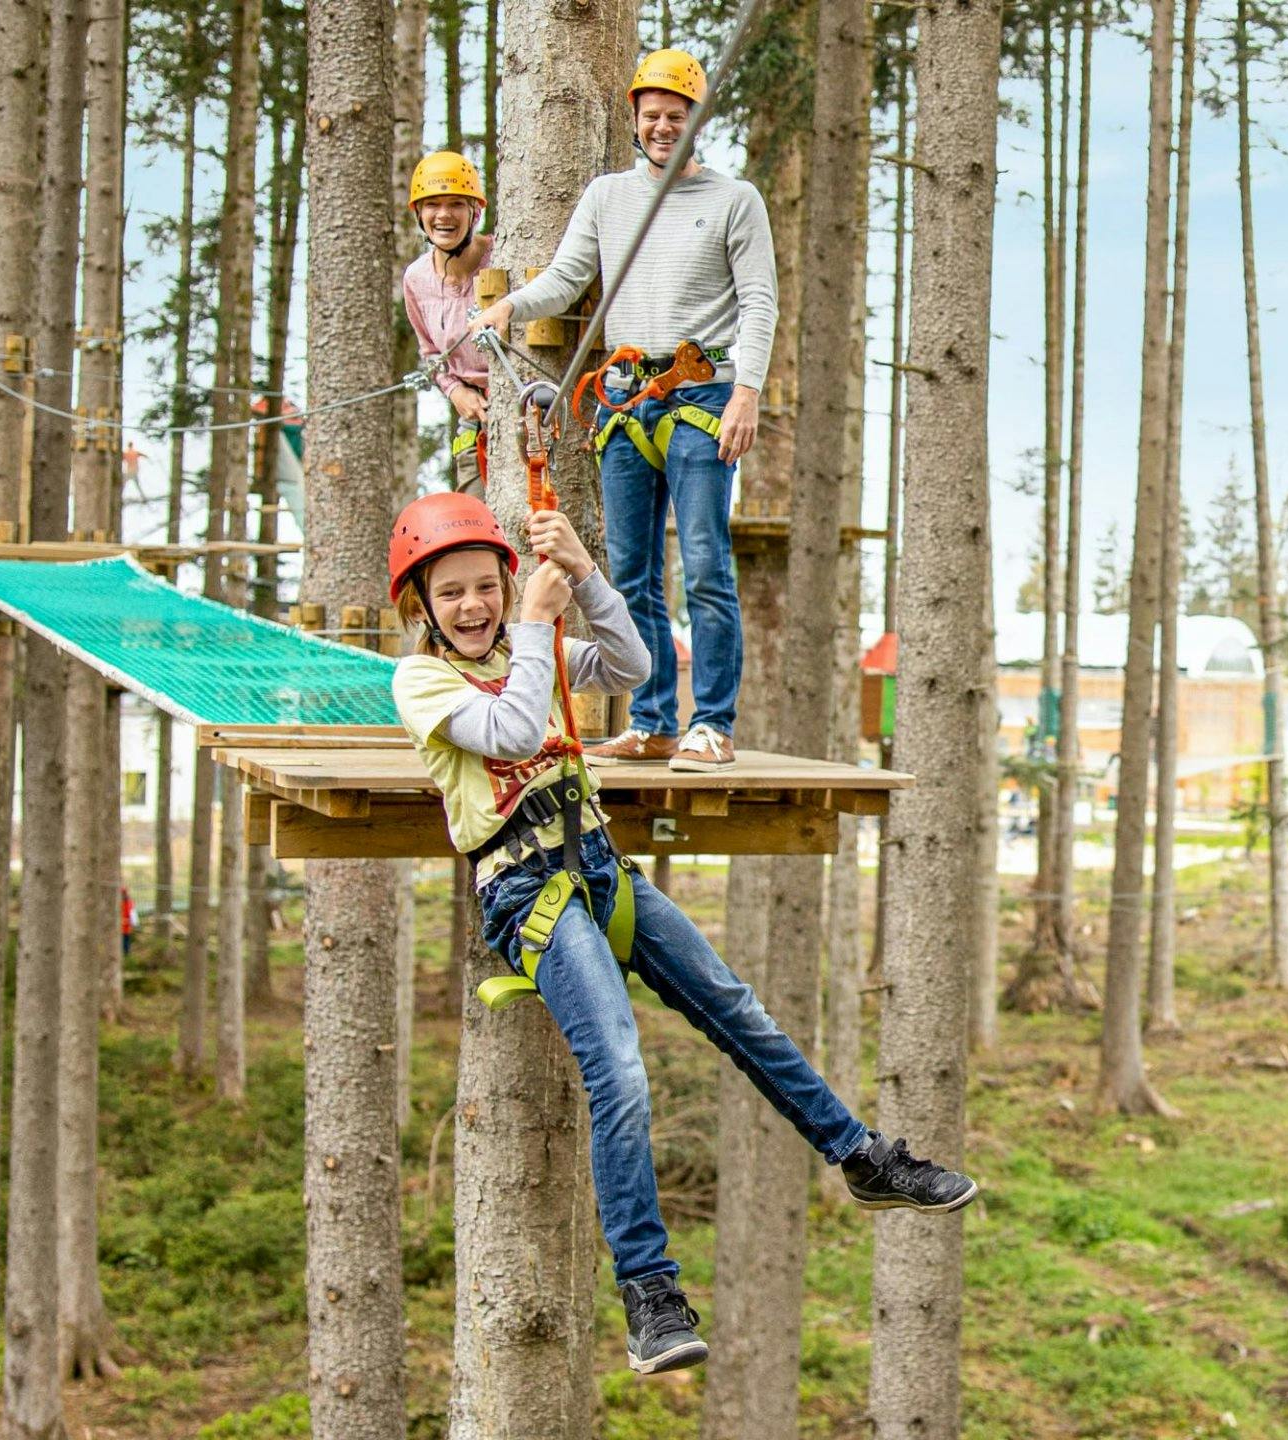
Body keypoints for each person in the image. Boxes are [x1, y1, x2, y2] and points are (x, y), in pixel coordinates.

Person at [386, 492, 977, 1377]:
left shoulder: (529, 646)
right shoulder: (423, 681)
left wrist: (583, 575)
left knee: (738, 1010)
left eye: (486, 588)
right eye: (453, 595)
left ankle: (860, 1156)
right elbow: (510, 728)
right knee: (618, 1064)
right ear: (421, 610)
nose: (474, 607)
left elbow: (630, 661)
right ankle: (649, 1294)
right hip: (526, 893)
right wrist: (541, 631)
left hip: (599, 873)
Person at [469, 49, 776, 774]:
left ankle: (714, 724)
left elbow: (759, 300)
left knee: (704, 561)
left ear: (697, 122)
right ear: (636, 124)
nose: (664, 127)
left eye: (676, 117)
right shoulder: (609, 198)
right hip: (623, 398)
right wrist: (511, 305)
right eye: (652, 117)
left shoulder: (736, 200)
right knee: (631, 570)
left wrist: (748, 391)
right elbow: (570, 276)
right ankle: (652, 721)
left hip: (701, 393)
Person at [403, 150, 496, 492]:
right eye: (432, 205)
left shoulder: (502, 256)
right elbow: (431, 353)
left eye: (456, 203)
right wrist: (456, 391)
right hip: (473, 418)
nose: (444, 215)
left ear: (475, 211)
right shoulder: (416, 278)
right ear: (419, 213)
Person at [120, 886, 136, 957]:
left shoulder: (129, 903)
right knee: (123, 942)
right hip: (120, 927)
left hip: (126, 927)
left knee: (126, 943)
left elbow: (132, 915)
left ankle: (126, 956)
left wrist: (129, 921)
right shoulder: (120, 902)